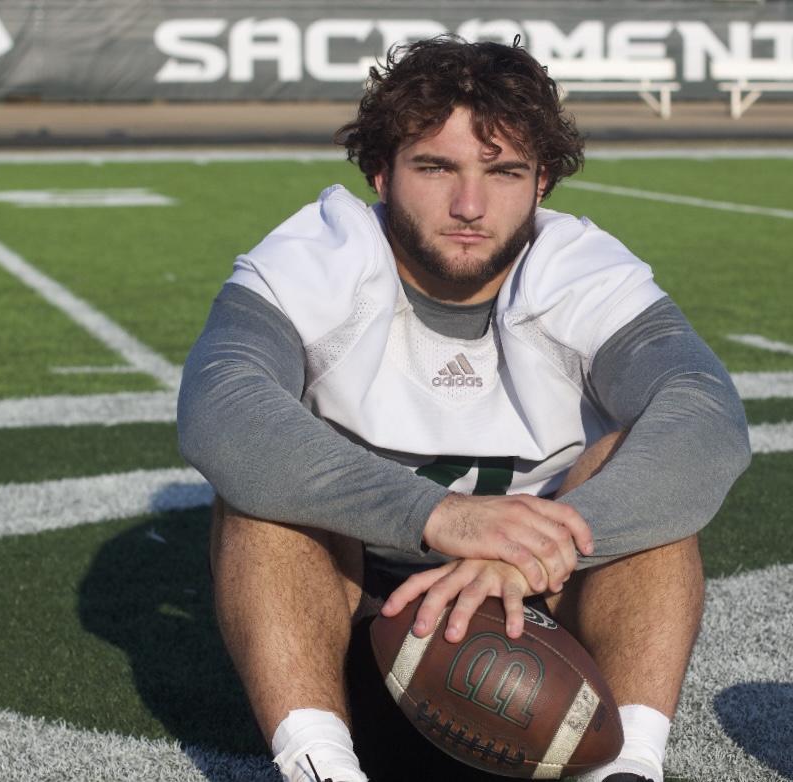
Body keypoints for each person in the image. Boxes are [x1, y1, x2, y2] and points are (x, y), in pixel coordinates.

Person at [178, 35, 750, 782]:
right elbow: (222, 405)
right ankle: (319, 763)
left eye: (504, 171)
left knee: (638, 466)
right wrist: (439, 516)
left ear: (542, 181)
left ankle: (629, 768)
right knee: (261, 486)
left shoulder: (578, 271)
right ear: (380, 172)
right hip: (348, 620)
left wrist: (538, 548)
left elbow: (706, 417)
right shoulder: (321, 255)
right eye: (436, 167)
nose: (471, 205)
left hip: (535, 615)